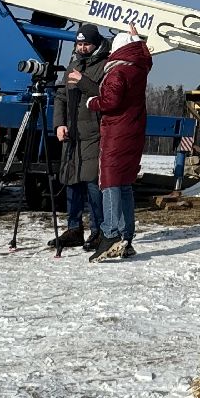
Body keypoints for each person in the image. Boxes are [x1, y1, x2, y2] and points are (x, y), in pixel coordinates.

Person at [85, 20, 151, 263]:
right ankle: (127, 237)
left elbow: (111, 102)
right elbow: (146, 56)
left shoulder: (118, 71)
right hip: (133, 131)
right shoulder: (138, 66)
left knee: (110, 182)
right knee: (124, 184)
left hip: (117, 132)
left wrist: (92, 102)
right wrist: (139, 40)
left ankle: (111, 232)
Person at [49, 22, 105, 251]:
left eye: (86, 44)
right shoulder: (73, 64)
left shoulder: (105, 65)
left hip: (93, 132)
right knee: (71, 180)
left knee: (92, 182)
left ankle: (99, 230)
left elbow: (106, 94)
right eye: (79, 44)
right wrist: (59, 124)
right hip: (72, 132)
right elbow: (61, 96)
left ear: (95, 44)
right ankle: (73, 229)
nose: (82, 48)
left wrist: (82, 81)